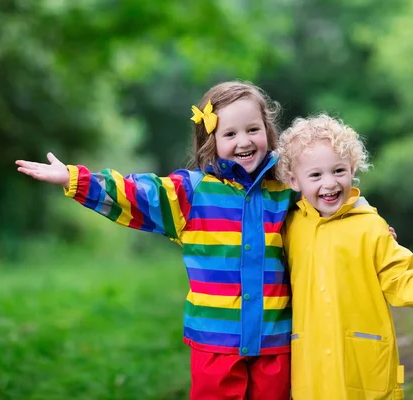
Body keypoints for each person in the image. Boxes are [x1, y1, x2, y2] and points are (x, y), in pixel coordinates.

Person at [16, 81, 299, 400]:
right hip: (215, 345)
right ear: (211, 140)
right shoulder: (191, 193)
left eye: (252, 129)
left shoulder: (287, 192)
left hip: (274, 343)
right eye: (230, 134)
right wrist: (75, 180)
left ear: (267, 130)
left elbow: (325, 202)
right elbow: (135, 195)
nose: (244, 141)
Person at [276, 114, 413, 400]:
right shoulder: (288, 228)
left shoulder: (370, 226)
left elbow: (400, 277)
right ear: (293, 180)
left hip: (362, 363)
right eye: (315, 175)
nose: (330, 183)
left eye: (339, 170)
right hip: (312, 366)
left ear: (352, 169)